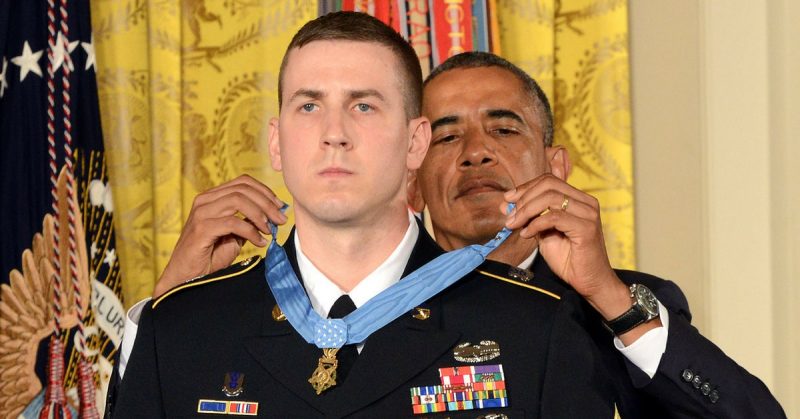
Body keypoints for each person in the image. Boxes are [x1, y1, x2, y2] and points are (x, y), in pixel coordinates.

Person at [109, 12, 619, 418]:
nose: (334, 133)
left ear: (416, 142)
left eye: (363, 107)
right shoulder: (180, 328)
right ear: (276, 142)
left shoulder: (534, 325)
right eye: (309, 106)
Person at [408, 52, 786, 418]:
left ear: (555, 168)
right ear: (412, 185)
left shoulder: (621, 304)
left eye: (504, 130)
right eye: (447, 137)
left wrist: (609, 297)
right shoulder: (377, 307)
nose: (476, 153)